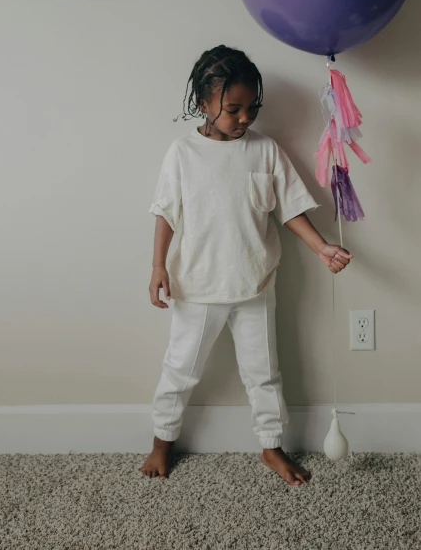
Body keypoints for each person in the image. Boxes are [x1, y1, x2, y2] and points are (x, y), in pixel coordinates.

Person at [139, 45, 353, 486]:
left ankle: (272, 447)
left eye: (251, 108)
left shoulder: (265, 150)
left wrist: (321, 247)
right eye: (232, 108)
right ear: (203, 103)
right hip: (196, 286)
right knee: (180, 368)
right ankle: (162, 441)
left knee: (264, 373)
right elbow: (165, 211)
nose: (244, 118)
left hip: (254, 285)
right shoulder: (182, 153)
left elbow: (289, 208)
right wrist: (158, 266)